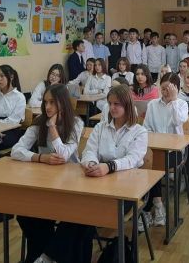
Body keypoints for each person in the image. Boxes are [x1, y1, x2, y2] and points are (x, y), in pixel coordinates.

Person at [12, 84, 84, 263]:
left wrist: (52, 127)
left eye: (52, 102)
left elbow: (63, 155)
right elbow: (16, 150)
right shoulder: (39, 123)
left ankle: (46, 256)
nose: (48, 107)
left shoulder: (76, 123)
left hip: (71, 185)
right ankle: (42, 256)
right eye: (45, 102)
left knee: (74, 217)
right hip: (44, 182)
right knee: (25, 214)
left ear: (63, 103)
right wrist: (40, 157)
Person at [79, 85, 148, 258]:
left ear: (127, 105)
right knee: (77, 213)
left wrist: (109, 166)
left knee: (83, 215)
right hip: (98, 185)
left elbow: (132, 159)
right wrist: (91, 164)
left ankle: (51, 257)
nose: (112, 107)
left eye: (117, 104)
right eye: (110, 103)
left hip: (126, 191)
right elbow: (89, 151)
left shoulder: (139, 131)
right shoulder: (100, 127)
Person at [142, 72, 188, 230]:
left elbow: (177, 121)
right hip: (154, 150)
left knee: (153, 168)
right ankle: (157, 205)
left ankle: (148, 209)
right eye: (163, 88)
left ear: (176, 89)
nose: (165, 92)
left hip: (174, 152)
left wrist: (174, 101)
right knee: (146, 166)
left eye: (169, 89)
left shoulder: (182, 104)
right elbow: (146, 128)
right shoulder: (152, 104)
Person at [0, 65, 26, 158]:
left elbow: (14, 120)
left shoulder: (19, 97)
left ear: (11, 77)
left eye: (2, 76)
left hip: (10, 130)